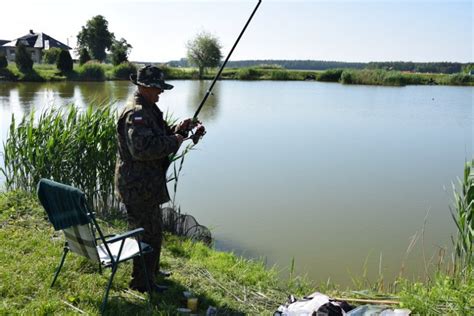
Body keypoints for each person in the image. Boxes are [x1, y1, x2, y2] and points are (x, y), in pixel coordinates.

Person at [115, 65, 205, 292]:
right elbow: (142, 149)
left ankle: (151, 272)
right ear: (144, 87)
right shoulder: (136, 112)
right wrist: (175, 140)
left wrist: (181, 129)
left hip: (145, 185)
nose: (161, 92)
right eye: (157, 88)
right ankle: (142, 284)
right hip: (137, 187)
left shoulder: (149, 109)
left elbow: (160, 135)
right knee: (146, 234)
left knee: (152, 231)